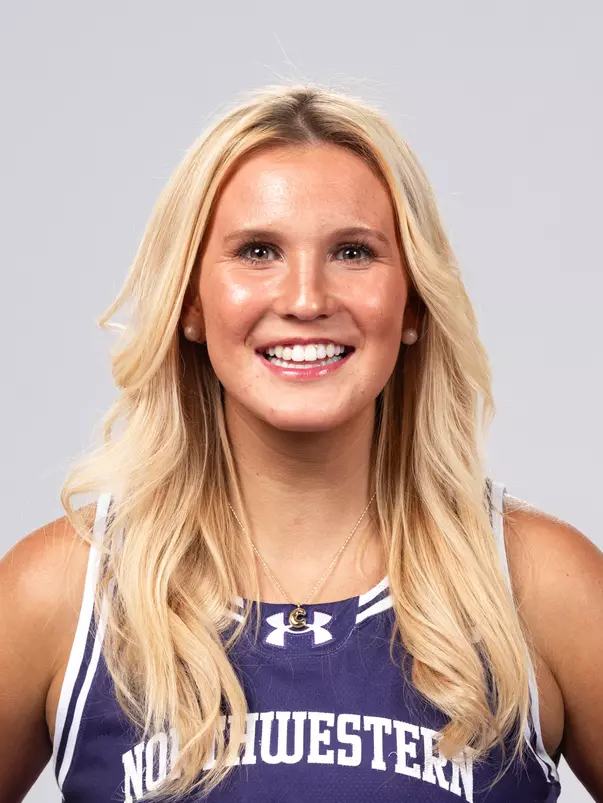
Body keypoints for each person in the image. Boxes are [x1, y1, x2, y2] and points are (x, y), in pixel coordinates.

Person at [1, 82, 602, 803]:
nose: (307, 299)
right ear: (191, 303)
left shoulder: (540, 585)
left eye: (353, 252)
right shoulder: (63, 592)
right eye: (258, 251)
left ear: (413, 303)